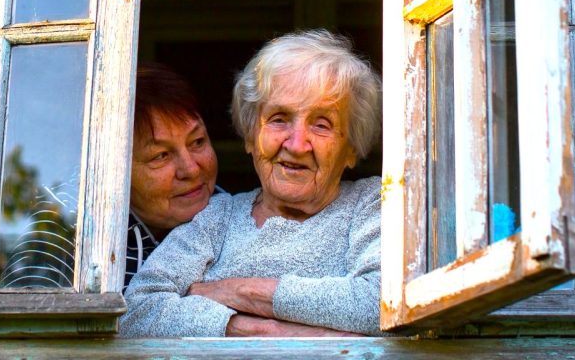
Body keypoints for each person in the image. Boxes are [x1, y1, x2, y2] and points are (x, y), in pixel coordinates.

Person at [120, 30, 381, 337]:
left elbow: (381, 303)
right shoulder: (216, 216)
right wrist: (253, 330)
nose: (297, 145)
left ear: (351, 148)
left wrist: (238, 291)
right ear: (249, 137)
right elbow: (137, 311)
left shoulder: (372, 202)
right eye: (279, 119)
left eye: (321, 124)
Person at [126, 64, 219, 286]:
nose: (191, 169)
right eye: (161, 156)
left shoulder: (243, 215)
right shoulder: (69, 236)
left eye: (197, 142)